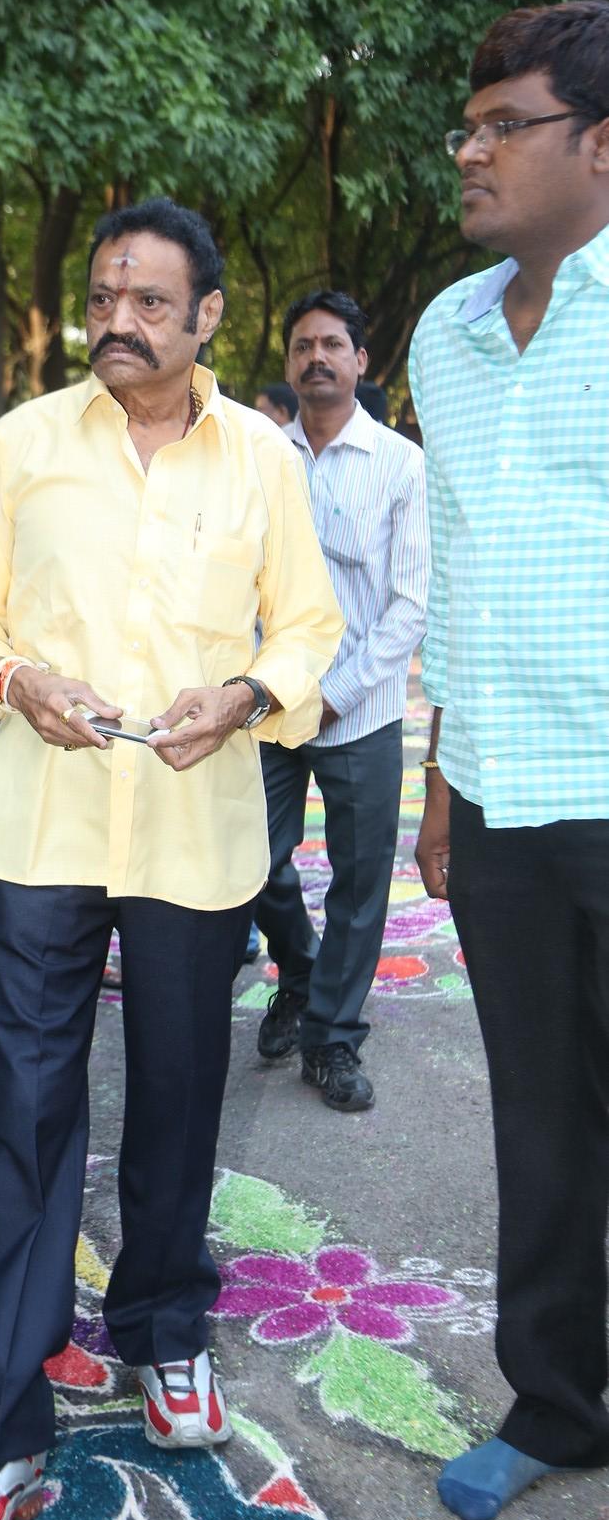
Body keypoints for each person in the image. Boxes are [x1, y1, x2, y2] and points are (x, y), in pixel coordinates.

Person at [0, 197, 343, 1520]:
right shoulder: (22, 443)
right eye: (104, 297)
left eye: (148, 301)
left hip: (191, 824)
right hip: (41, 821)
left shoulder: (260, 457)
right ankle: (3, 1419)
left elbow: (307, 627)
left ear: (206, 315)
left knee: (177, 1090)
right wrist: (13, 678)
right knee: (29, 1103)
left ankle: (163, 1330)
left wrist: (243, 695)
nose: (117, 320)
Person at [410, 0, 609, 1520]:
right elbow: (455, 569)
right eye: (465, 128)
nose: (468, 153)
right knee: (539, 1124)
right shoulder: (445, 332)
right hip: (495, 801)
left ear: (596, 146)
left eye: (502, 126)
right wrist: (437, 787)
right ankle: (555, 1402)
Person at [253, 290, 428, 1112]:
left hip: (361, 710)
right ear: (288, 364)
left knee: (359, 885)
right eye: (302, 346)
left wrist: (336, 694)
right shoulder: (258, 455)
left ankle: (330, 1039)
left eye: (331, 345)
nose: (315, 357)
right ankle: (298, 972)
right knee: (250, 861)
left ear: (360, 361)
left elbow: (409, 604)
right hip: (266, 703)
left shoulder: (399, 463)